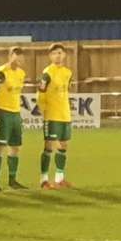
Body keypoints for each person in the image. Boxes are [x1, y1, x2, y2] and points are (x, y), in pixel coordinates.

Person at [0, 46, 27, 191]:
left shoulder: (21, 73)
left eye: (21, 56)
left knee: (15, 147)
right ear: (10, 56)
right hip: (3, 113)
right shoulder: (2, 72)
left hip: (15, 114)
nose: (19, 59)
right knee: (0, 148)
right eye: (16, 55)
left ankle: (12, 180)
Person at [37, 43, 73, 189]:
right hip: (52, 115)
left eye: (60, 53)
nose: (58, 55)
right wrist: (43, 110)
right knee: (49, 146)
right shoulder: (47, 73)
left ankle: (59, 178)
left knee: (63, 146)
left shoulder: (68, 72)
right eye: (55, 53)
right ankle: (44, 179)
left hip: (65, 115)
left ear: (64, 55)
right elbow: (41, 92)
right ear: (50, 56)